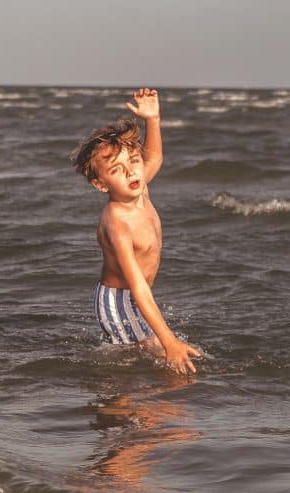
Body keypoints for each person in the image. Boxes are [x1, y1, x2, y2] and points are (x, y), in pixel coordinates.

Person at [71, 88, 200, 374]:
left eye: (133, 161)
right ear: (101, 184)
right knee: (163, 362)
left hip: (134, 296)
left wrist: (153, 118)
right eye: (117, 170)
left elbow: (154, 158)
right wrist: (170, 342)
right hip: (118, 301)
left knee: (161, 361)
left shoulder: (140, 190)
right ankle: (127, 412)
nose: (131, 172)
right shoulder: (117, 221)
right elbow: (139, 287)